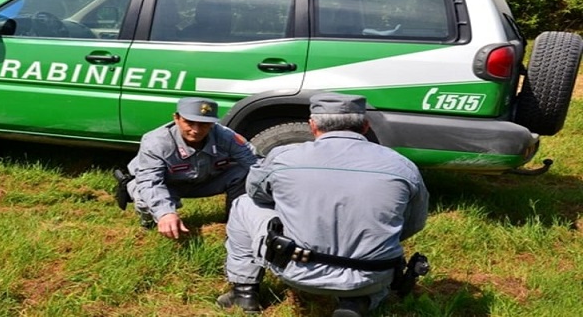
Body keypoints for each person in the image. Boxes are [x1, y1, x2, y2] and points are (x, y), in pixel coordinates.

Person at [217, 92, 429, 316]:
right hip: (374, 274)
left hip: (298, 270)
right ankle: (358, 300)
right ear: (365, 126)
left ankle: (244, 293)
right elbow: (414, 223)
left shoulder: (283, 157)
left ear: (313, 125)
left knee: (243, 204)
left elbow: (256, 193)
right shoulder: (401, 165)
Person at [114, 97, 258, 240]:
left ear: (213, 124)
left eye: (204, 124)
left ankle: (235, 220)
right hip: (168, 185)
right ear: (176, 118)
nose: (196, 130)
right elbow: (150, 182)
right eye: (189, 122)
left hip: (207, 180)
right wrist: (165, 213)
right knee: (143, 195)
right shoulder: (156, 142)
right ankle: (149, 225)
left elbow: (255, 164)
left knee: (245, 172)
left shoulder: (226, 136)